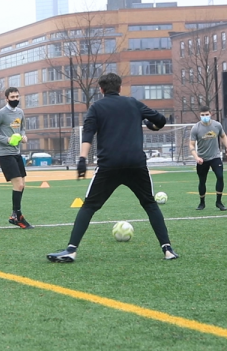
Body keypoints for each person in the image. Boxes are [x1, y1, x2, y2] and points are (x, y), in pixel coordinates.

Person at [47, 73, 179, 262]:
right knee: (150, 204)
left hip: (109, 165)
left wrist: (82, 159)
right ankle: (168, 250)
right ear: (120, 88)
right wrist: (151, 125)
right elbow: (161, 121)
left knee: (89, 206)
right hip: (136, 164)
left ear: (101, 90)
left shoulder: (96, 107)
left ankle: (71, 250)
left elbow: (88, 134)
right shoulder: (133, 103)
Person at [0, 86, 31, 228]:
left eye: (17, 97)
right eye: (12, 97)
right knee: (18, 184)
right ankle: (16, 216)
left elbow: (22, 127)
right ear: (6, 98)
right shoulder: (0, 114)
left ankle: (15, 214)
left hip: (17, 153)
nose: (15, 99)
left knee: (22, 185)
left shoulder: (20, 112)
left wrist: (23, 136)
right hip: (5, 154)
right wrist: (7, 140)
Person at [189, 106, 227, 211]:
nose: (205, 117)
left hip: (215, 157)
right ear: (200, 115)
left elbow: (223, 136)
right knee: (202, 181)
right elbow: (191, 145)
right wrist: (196, 157)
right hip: (202, 159)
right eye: (202, 115)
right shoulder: (196, 128)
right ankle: (202, 203)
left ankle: (219, 202)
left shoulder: (217, 125)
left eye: (206, 114)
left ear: (210, 114)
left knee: (220, 177)